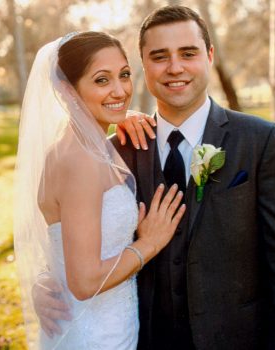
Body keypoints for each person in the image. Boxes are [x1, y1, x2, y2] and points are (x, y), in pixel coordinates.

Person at [34, 5, 275, 350]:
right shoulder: (110, 153)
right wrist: (45, 282)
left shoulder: (261, 141)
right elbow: (68, 234)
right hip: (142, 340)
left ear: (209, 55)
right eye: (160, 56)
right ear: (143, 64)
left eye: (188, 53)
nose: (175, 67)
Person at [14, 31, 185, 349]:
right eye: (101, 80)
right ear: (67, 90)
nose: (120, 90)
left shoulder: (73, 148)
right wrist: (148, 244)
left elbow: (62, 243)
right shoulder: (80, 162)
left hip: (97, 324)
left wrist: (122, 116)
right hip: (96, 335)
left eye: (123, 75)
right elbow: (85, 281)